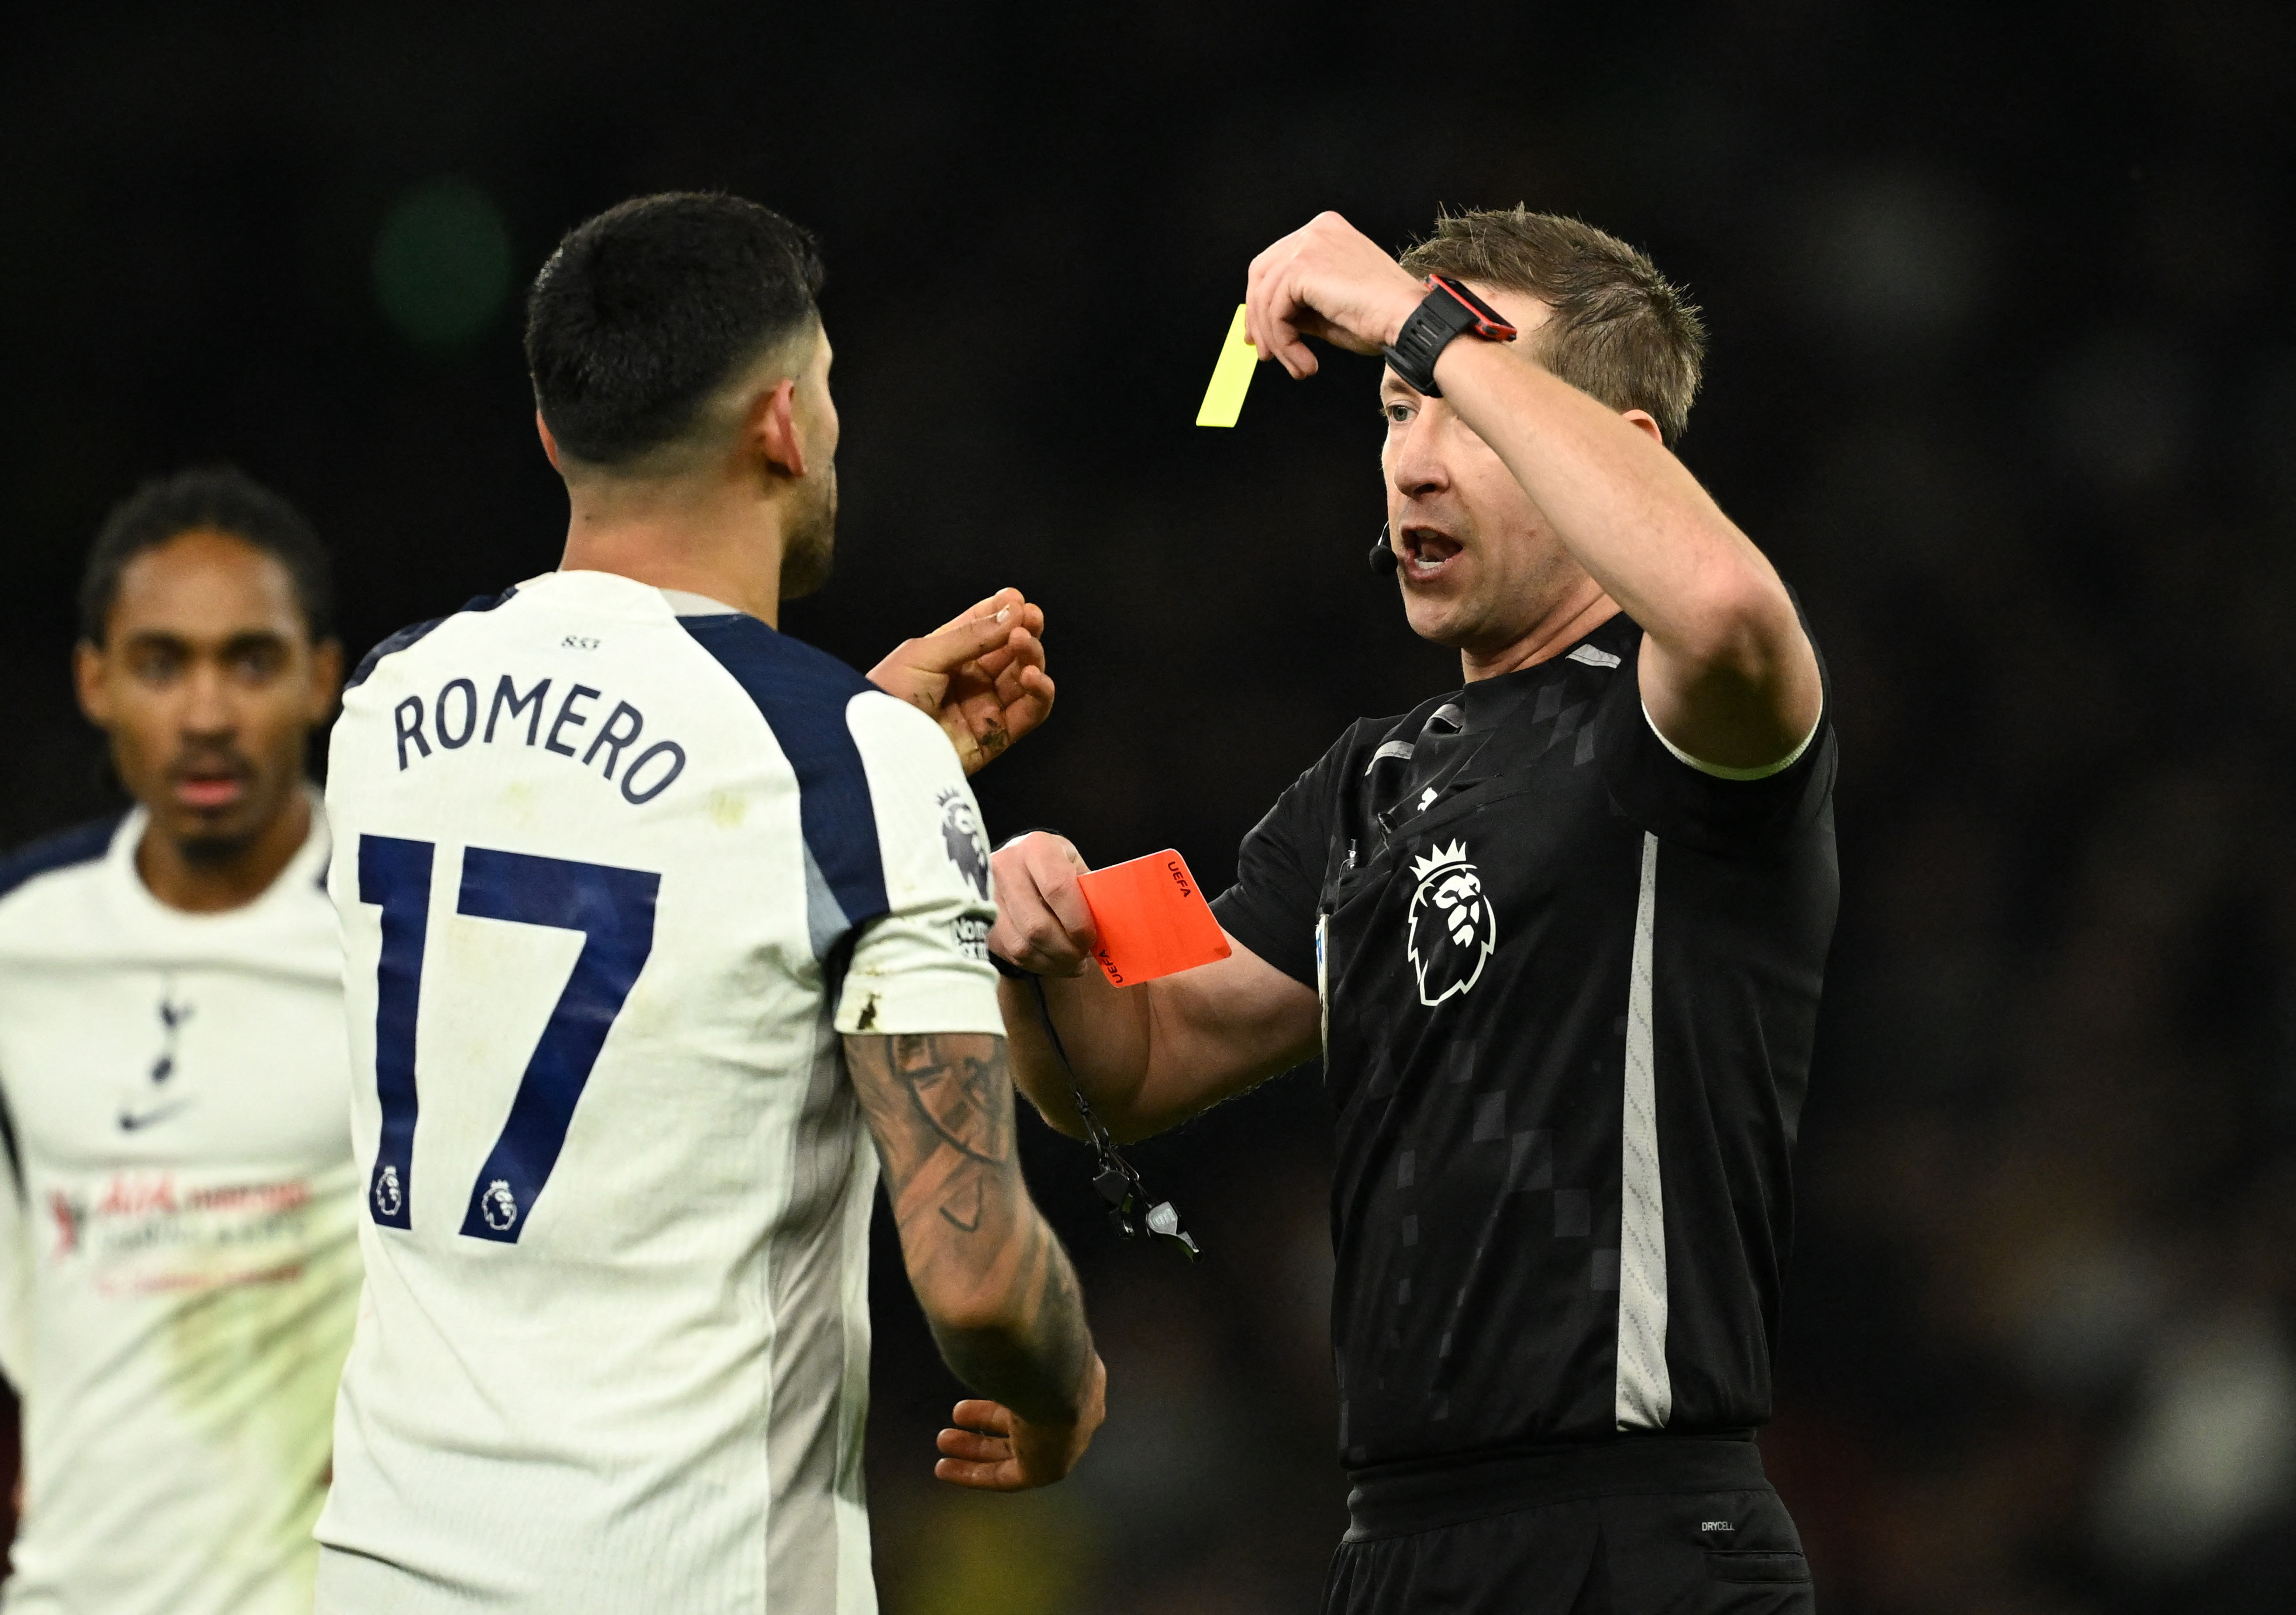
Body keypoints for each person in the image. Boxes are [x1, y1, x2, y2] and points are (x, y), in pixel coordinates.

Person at [989, 208, 1837, 1613]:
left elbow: (1732, 610)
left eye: (1460, 410)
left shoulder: (1680, 726)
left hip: (1631, 1538)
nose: (1414, 460)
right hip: (1394, 1549)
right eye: (1392, 412)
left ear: (1615, 458)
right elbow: (1130, 1068)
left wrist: (1414, 325)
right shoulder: (1370, 778)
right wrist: (1043, 949)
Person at [313, 192, 1103, 1615]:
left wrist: (859, 745)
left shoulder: (383, 701)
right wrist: (1061, 1385)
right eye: (832, 389)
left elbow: (597, 856)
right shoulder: (843, 767)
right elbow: (979, 1281)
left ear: (555, 434)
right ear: (782, 424)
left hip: (379, 1568)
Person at [0, 467, 357, 1615]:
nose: (206, 713)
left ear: (321, 677)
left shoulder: (410, 931)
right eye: (162, 663)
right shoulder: (20, 941)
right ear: (94, 682)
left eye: (249, 660)